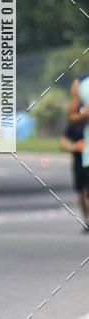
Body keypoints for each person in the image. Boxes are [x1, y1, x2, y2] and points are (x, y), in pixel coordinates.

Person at [67, 73, 89, 228]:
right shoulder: (80, 84)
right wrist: (86, 115)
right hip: (86, 155)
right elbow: (72, 116)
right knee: (83, 191)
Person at [59, 122, 89, 230]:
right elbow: (63, 143)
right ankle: (86, 220)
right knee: (81, 193)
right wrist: (75, 146)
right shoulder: (75, 125)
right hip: (79, 163)